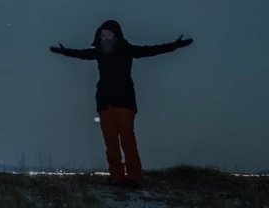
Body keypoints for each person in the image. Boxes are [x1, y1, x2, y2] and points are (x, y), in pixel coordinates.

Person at [50, 20, 193, 187]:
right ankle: (117, 177)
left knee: (127, 141)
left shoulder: (126, 50)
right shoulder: (99, 52)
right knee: (110, 143)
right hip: (105, 103)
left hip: (125, 102)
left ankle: (134, 177)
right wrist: (64, 51)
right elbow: (82, 54)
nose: (105, 37)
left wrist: (174, 46)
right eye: (102, 35)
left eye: (108, 34)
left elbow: (152, 50)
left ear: (116, 35)